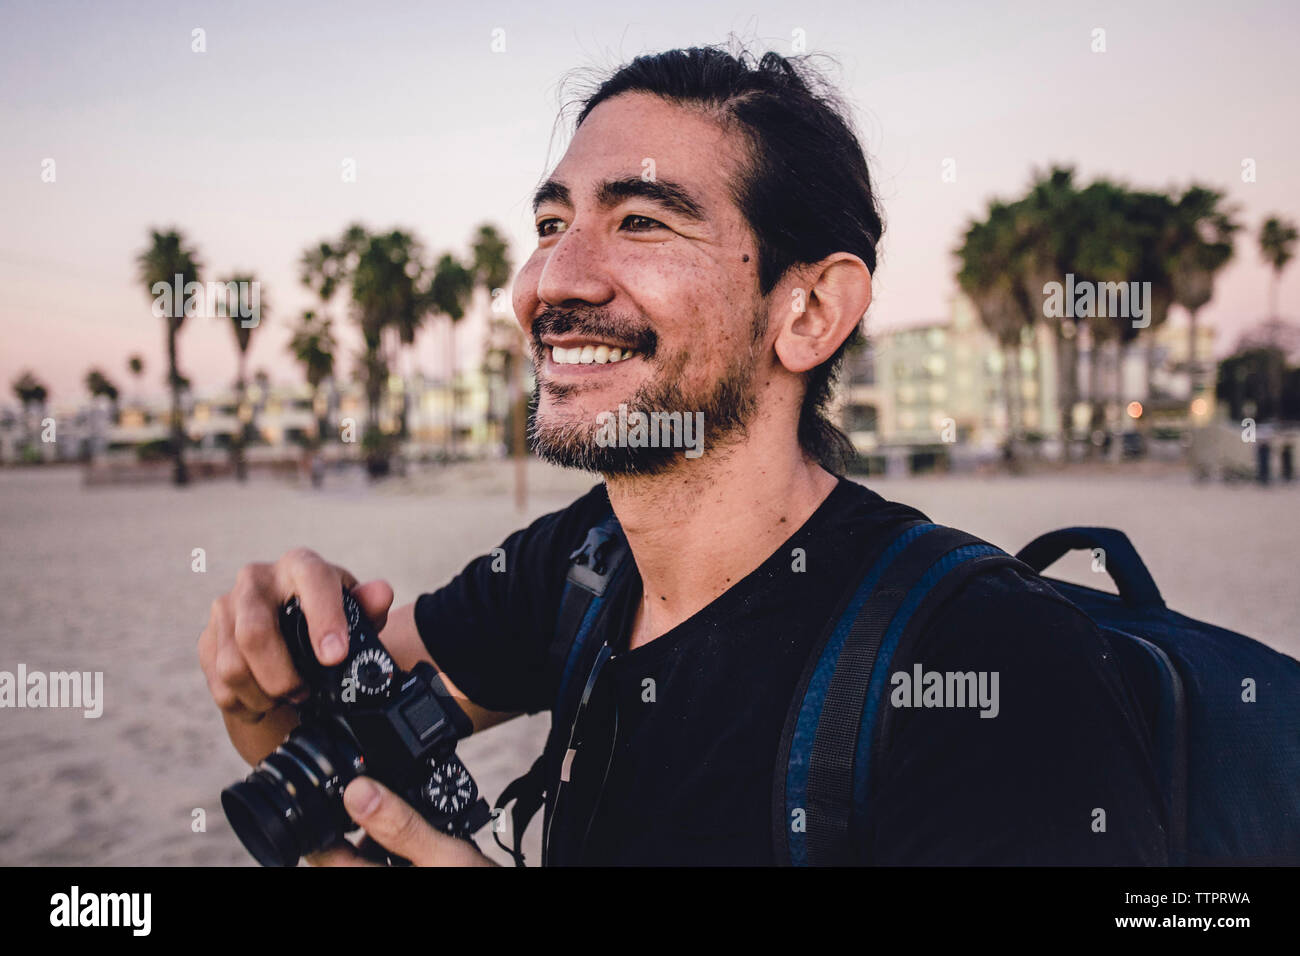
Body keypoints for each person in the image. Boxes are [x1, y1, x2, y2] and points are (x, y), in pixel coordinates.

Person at [198, 45, 1168, 866]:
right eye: (549, 224)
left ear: (808, 310)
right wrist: (259, 678)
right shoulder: (580, 565)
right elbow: (314, 762)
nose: (549, 279)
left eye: (641, 220)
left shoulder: (985, 661)